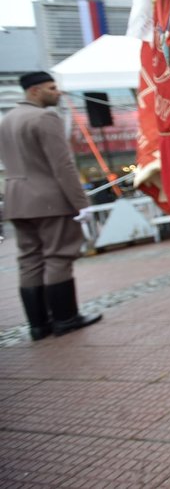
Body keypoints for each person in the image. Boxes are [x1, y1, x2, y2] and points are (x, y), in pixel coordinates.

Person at [0, 72, 103, 340]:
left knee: (29, 260)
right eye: (52, 88)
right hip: (48, 200)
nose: (58, 92)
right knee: (58, 256)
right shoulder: (45, 117)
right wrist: (81, 203)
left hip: (16, 200)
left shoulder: (8, 118)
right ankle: (66, 319)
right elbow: (62, 165)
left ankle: (38, 325)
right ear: (34, 91)